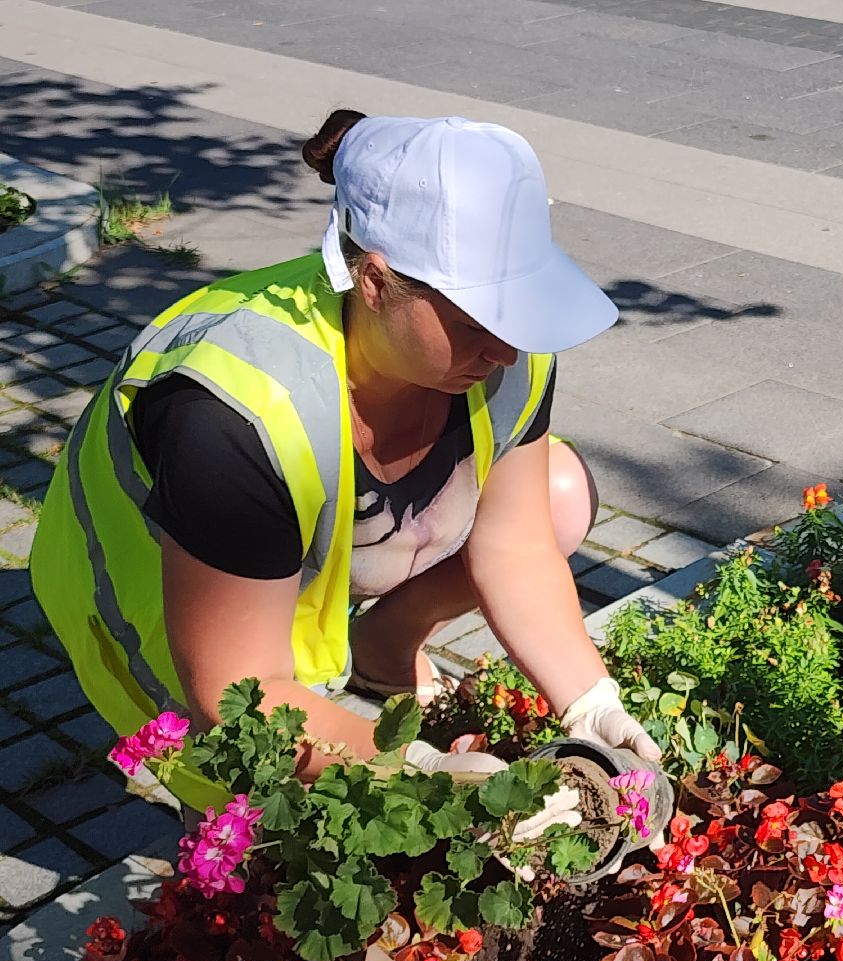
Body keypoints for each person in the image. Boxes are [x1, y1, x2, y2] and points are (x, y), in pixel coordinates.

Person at [32, 110, 661, 811]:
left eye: (519, 312)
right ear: (375, 282)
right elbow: (235, 694)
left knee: (558, 490)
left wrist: (591, 701)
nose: (507, 351)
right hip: (157, 593)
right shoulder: (232, 413)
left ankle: (380, 647)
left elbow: (516, 547)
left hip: (289, 547)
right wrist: (417, 770)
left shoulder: (506, 350)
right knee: (250, 801)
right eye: (477, 322)